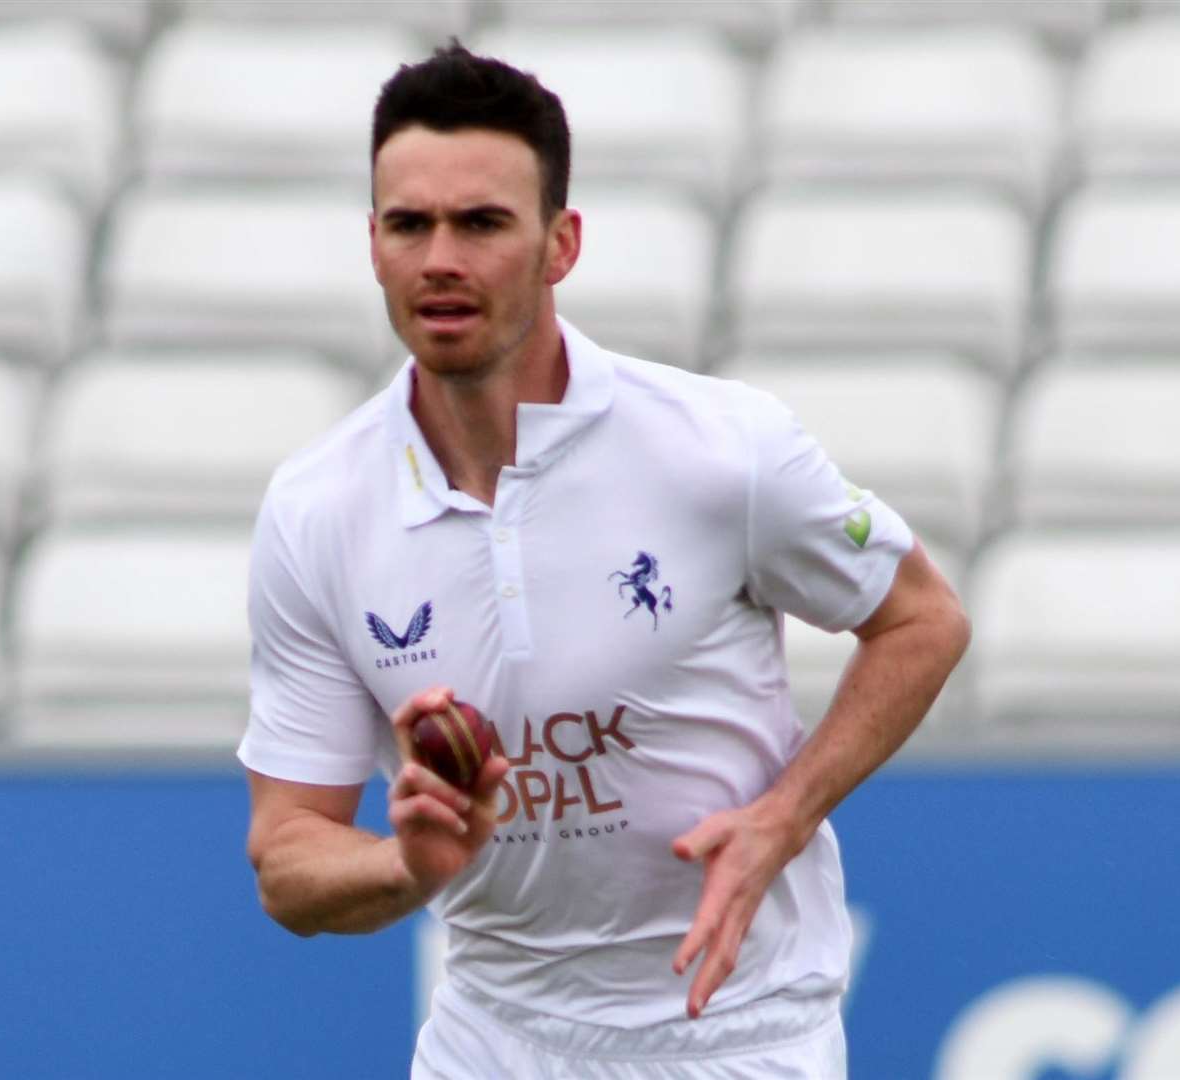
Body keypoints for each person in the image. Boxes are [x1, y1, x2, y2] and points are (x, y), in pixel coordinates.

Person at [239, 42, 971, 1079]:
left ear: (560, 243)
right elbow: (287, 858)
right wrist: (409, 865)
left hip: (739, 1030)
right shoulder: (316, 509)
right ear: (372, 244)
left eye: (482, 222)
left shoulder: (721, 445)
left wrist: (782, 817)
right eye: (410, 224)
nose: (440, 257)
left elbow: (924, 619)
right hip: (492, 1032)